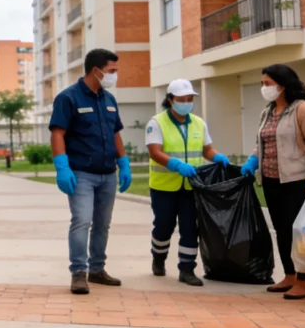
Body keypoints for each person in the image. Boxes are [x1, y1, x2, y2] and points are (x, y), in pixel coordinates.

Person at [240, 64, 305, 300]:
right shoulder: (267, 111)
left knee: (301, 232)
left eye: (268, 83)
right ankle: (289, 275)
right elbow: (262, 143)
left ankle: (303, 281)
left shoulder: (304, 109)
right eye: (262, 83)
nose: (264, 88)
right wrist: (252, 161)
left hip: (297, 180)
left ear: (283, 84)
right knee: (281, 230)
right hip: (271, 180)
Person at [48, 48, 133, 295]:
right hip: (81, 173)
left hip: (108, 173)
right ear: (96, 71)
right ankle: (78, 273)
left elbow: (116, 133)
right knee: (82, 221)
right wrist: (62, 167)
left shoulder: (109, 100)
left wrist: (124, 162)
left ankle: (97, 269)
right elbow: (57, 133)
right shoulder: (68, 98)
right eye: (111, 71)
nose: (114, 76)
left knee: (102, 224)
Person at [145, 79, 230, 287]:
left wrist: (217, 156)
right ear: (170, 100)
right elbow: (155, 151)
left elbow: (206, 149)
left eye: (189, 99)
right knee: (164, 226)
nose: (186, 102)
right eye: (181, 99)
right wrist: (175, 164)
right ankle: (158, 257)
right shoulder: (156, 123)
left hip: (192, 186)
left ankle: (187, 269)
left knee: (190, 227)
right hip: (164, 186)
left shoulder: (198, 123)